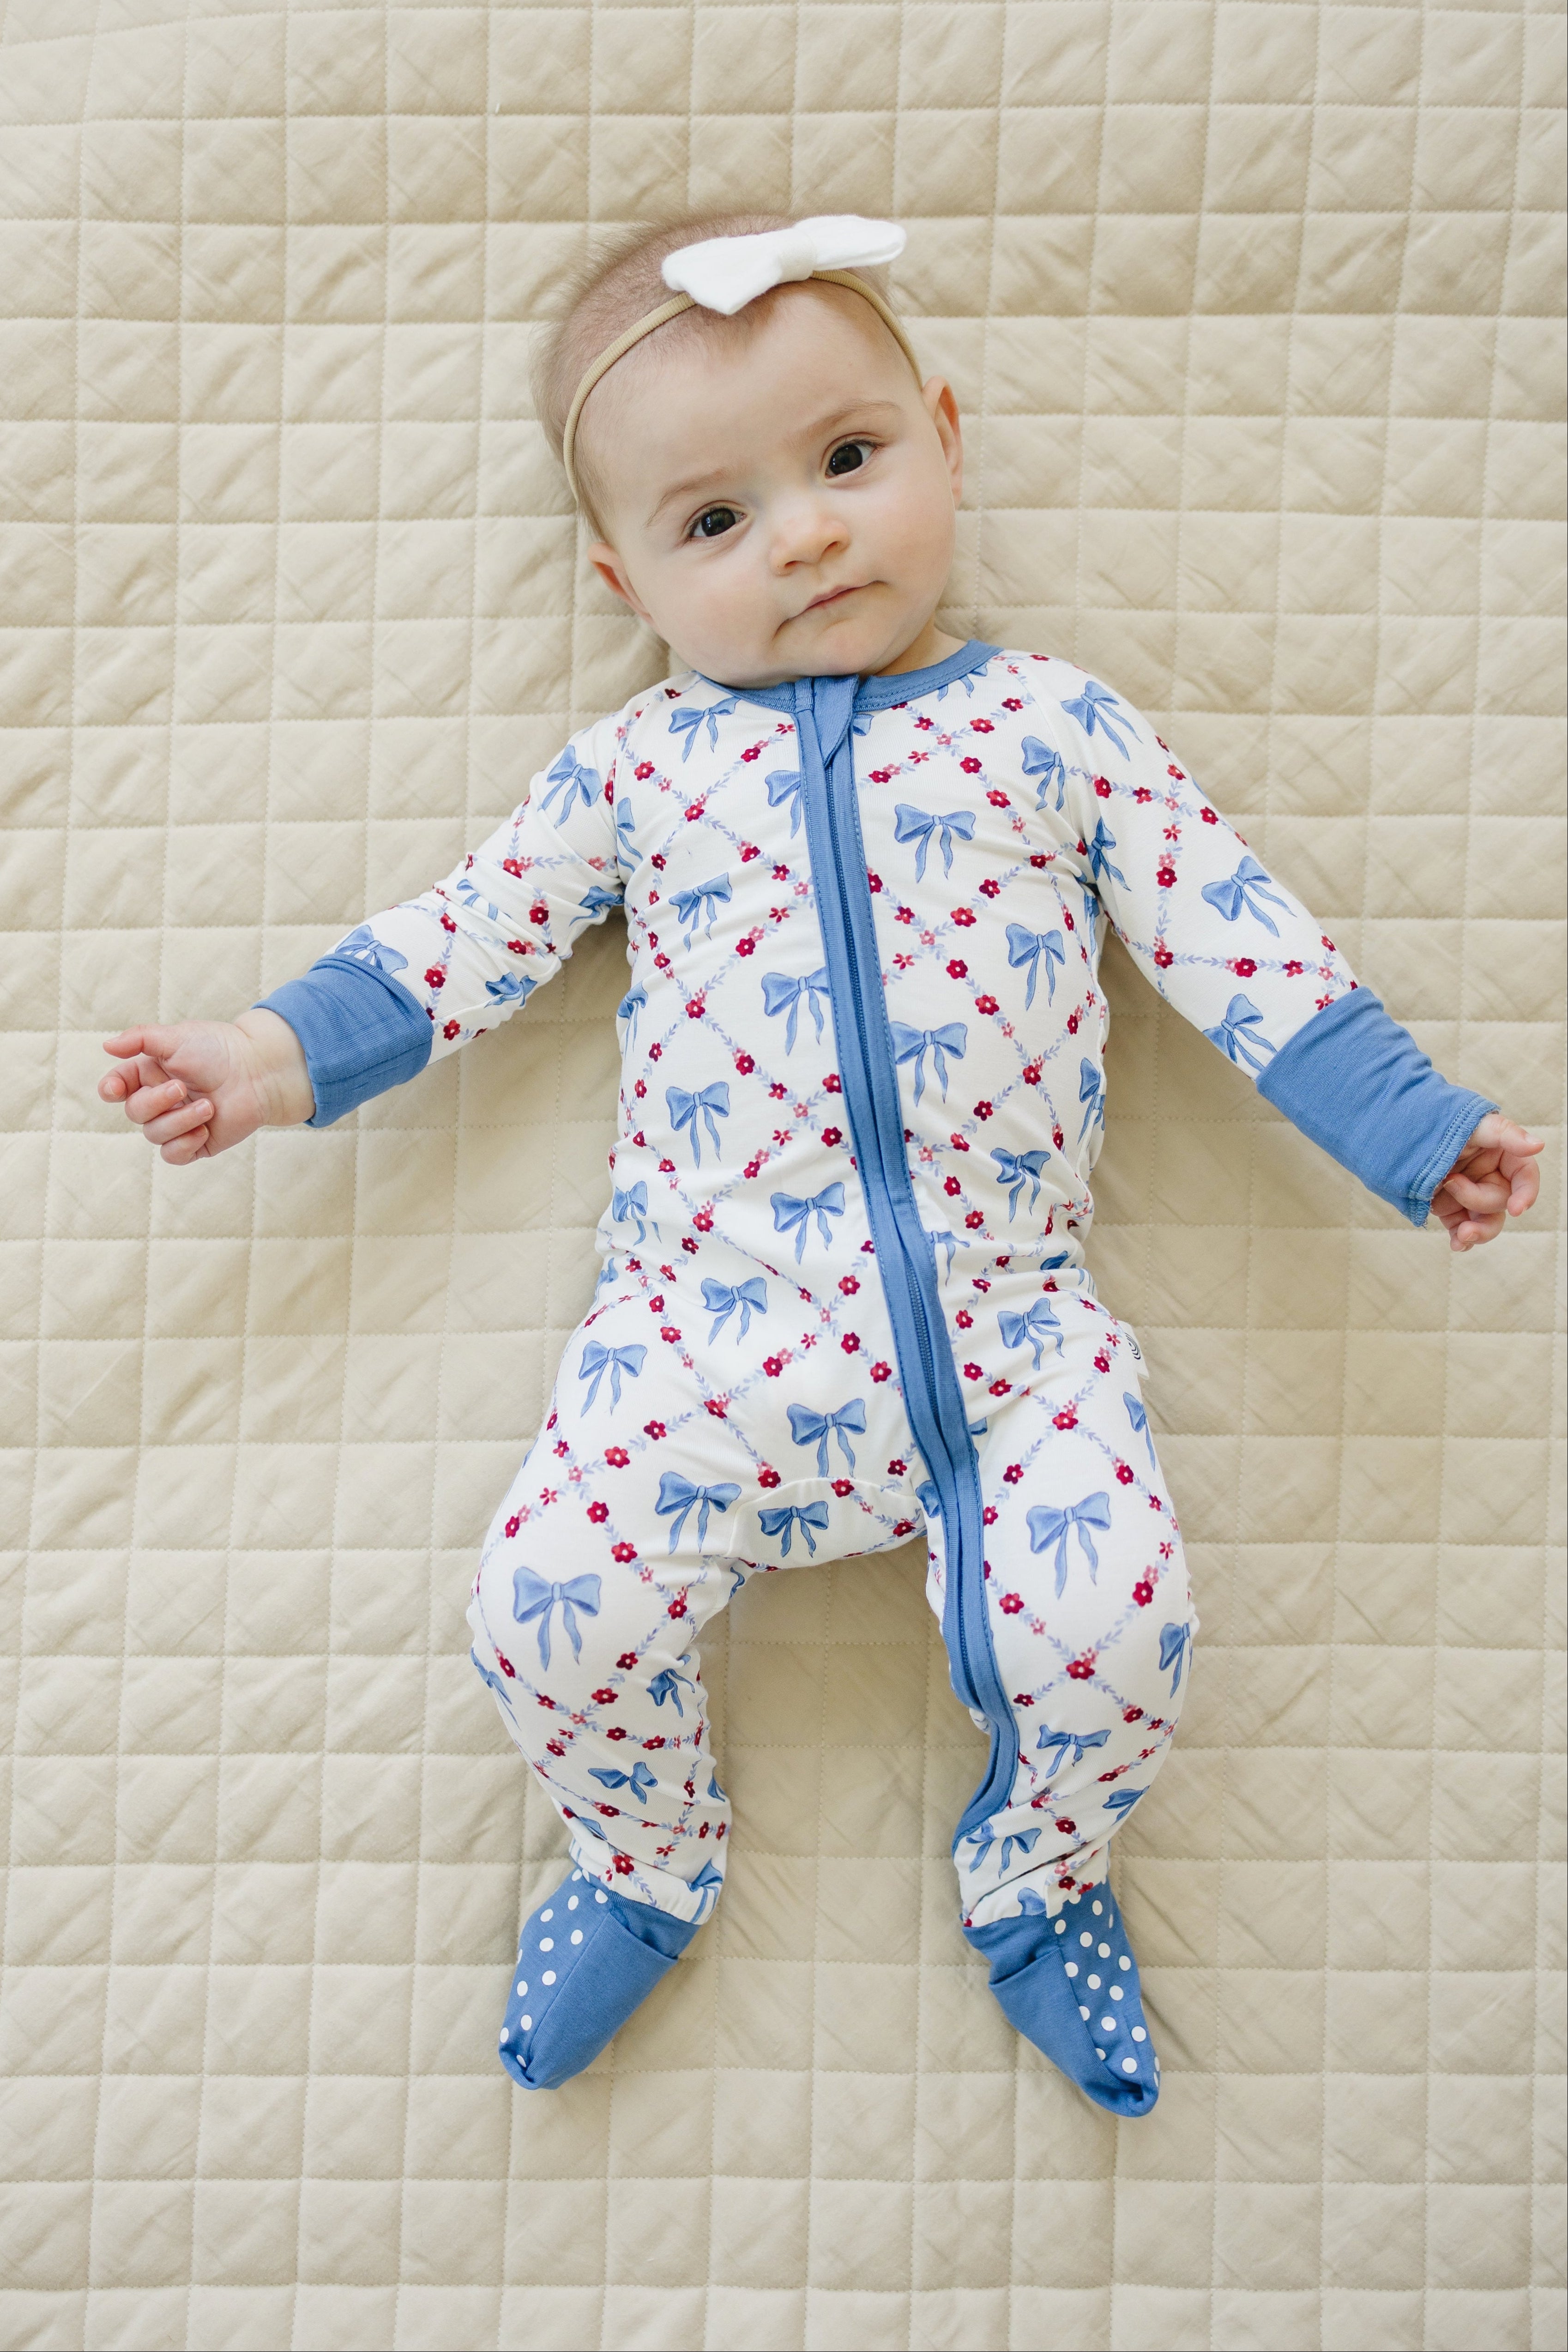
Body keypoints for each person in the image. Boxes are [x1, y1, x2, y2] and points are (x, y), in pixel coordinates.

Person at [99, 213, 1542, 2115]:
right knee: (546, 1606)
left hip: (1010, 1348)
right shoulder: (637, 771)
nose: (803, 533)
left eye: (849, 459)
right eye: (716, 521)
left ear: (943, 434)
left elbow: (1243, 944)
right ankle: (643, 1849)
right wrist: (264, 1057)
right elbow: (458, 941)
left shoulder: (1057, 728)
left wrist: (1416, 1130)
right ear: (622, 577)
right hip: (692, 1342)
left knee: (1118, 1633)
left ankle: (1038, 1867)